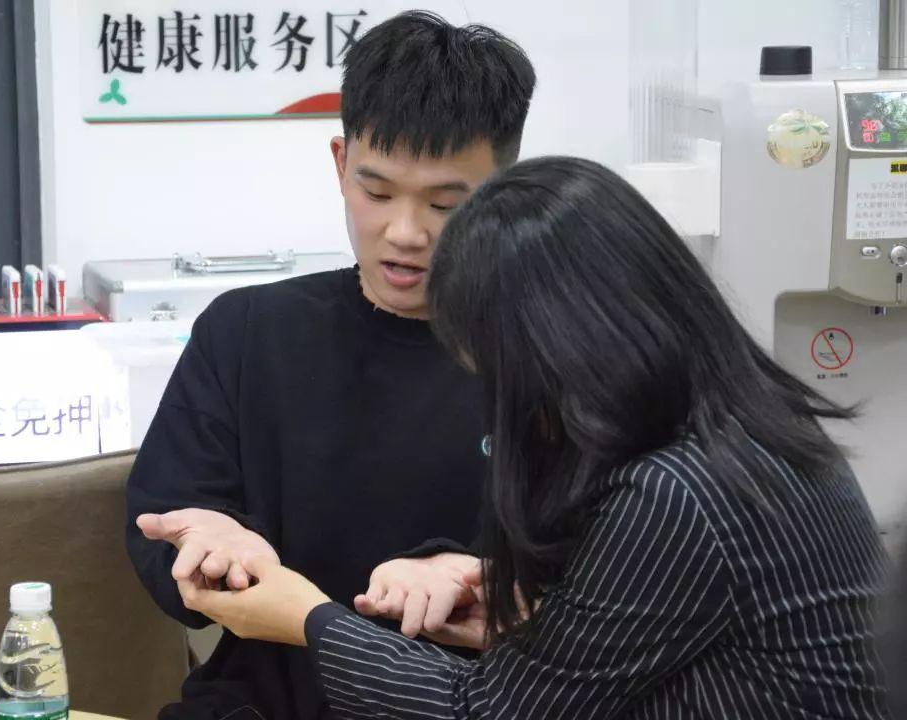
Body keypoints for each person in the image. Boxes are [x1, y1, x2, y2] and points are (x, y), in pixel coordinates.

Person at [181, 157, 891, 719]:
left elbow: (486, 711)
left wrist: (307, 619)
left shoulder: (680, 492)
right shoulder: (747, 432)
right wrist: (530, 616)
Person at [125, 11, 537, 720]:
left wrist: (485, 580)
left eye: (445, 204)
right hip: (263, 703)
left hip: (468, 703)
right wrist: (210, 543)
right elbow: (167, 514)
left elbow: (612, 575)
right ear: (341, 164)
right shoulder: (247, 332)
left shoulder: (549, 350)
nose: (404, 233)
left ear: (505, 190)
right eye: (377, 193)